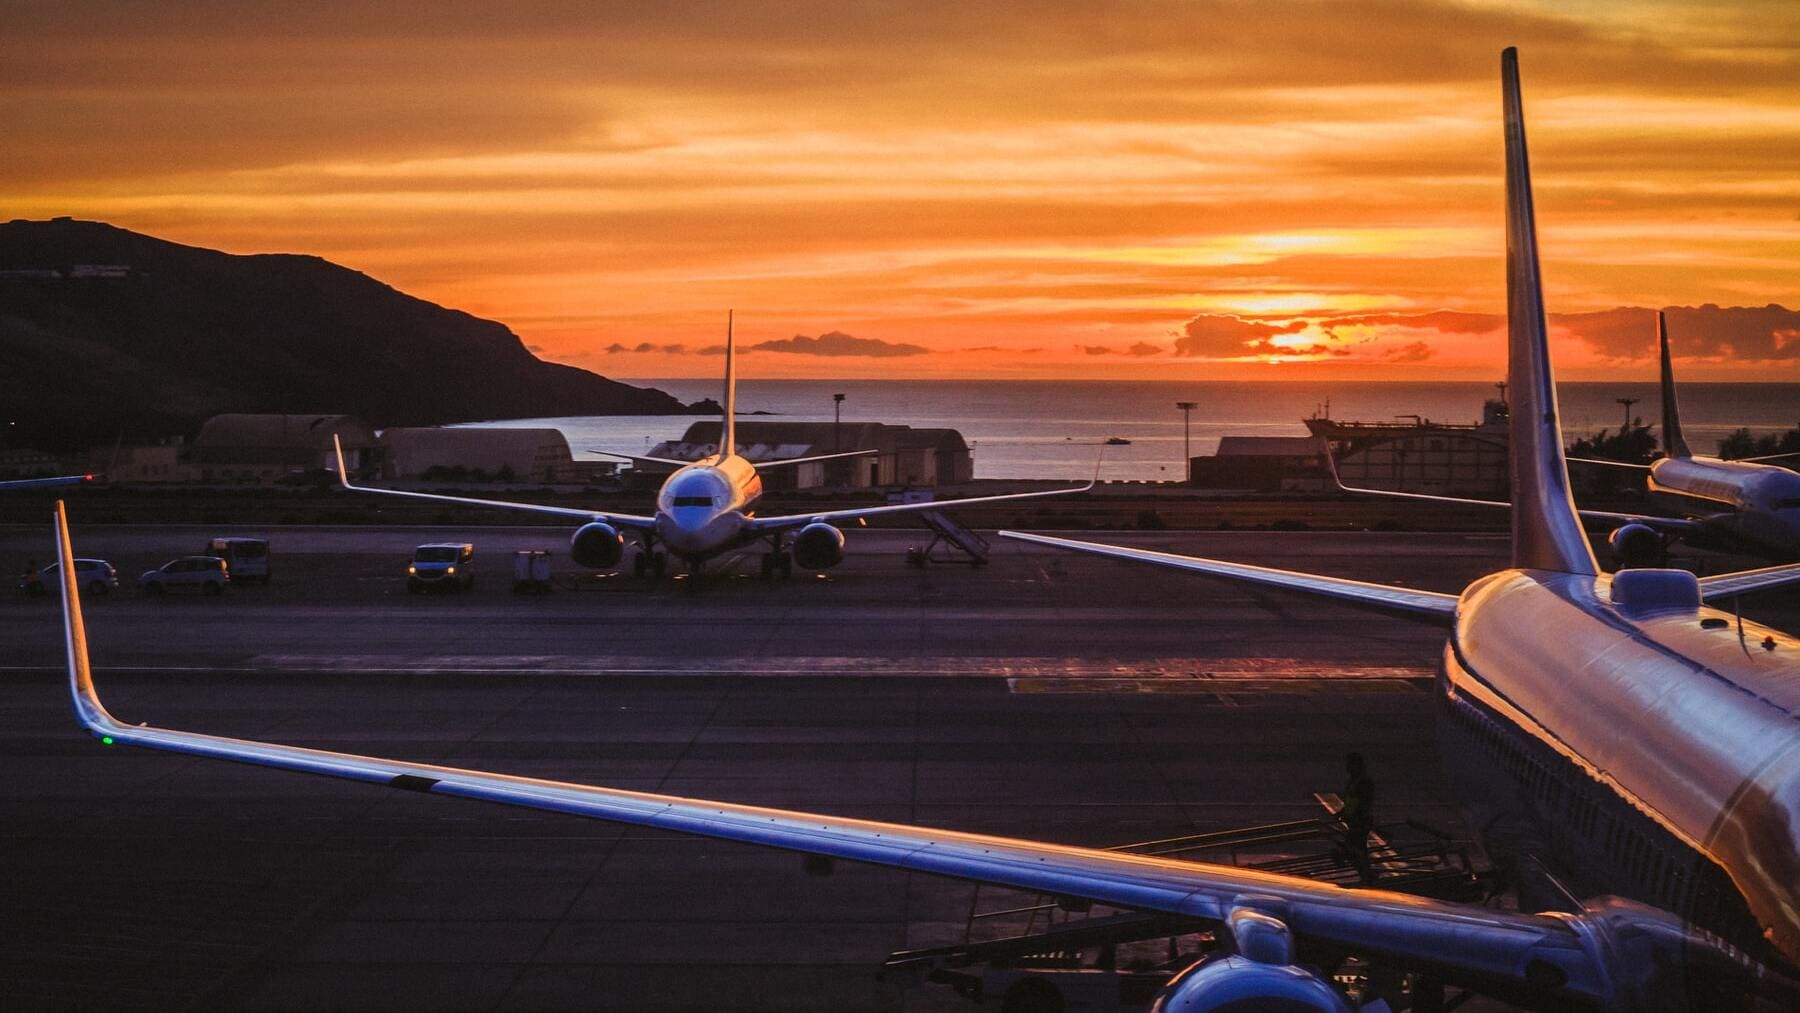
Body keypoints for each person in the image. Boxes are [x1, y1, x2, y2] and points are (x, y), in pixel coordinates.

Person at [1339, 751, 1376, 882]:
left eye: (1350, 764)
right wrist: (1342, 812)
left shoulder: (1363, 781)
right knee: (1358, 847)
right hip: (1354, 819)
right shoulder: (1354, 780)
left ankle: (1366, 873)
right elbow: (1351, 800)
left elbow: (1361, 802)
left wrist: (1352, 815)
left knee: (1354, 847)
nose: (1347, 767)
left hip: (1360, 819)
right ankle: (1366, 873)